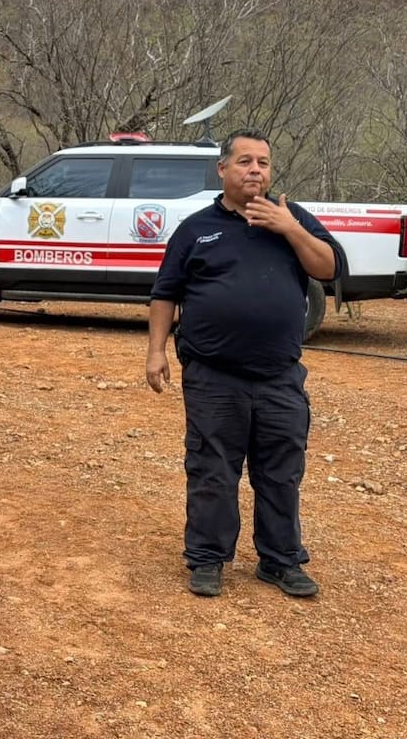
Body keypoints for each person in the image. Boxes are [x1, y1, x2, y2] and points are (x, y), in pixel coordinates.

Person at [146, 128, 345, 600]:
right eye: (245, 162)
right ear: (223, 170)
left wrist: (290, 228)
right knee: (213, 469)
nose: (256, 170)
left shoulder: (292, 219)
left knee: (280, 471)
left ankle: (280, 561)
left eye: (263, 163)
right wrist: (155, 351)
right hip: (214, 374)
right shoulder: (196, 228)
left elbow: (330, 268)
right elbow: (165, 293)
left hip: (279, 376)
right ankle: (208, 559)